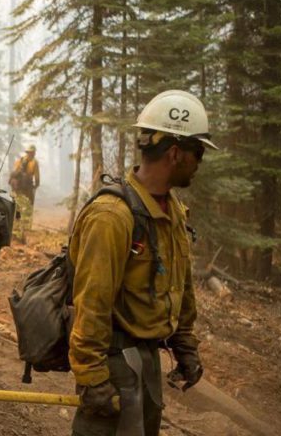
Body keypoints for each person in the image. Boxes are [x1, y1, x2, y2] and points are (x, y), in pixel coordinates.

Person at [69, 90, 215, 436]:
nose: (200, 162)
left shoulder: (172, 211)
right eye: (197, 152)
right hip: (114, 363)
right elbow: (91, 304)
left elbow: (180, 282)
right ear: (175, 153)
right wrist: (93, 378)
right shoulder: (112, 216)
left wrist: (184, 343)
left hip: (146, 359)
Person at [9, 144, 40, 241]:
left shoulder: (20, 160)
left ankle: (16, 225)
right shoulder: (34, 162)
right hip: (28, 188)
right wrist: (36, 185)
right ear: (33, 153)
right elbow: (37, 176)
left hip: (18, 188)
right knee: (29, 205)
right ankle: (26, 227)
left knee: (18, 206)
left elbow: (14, 173)